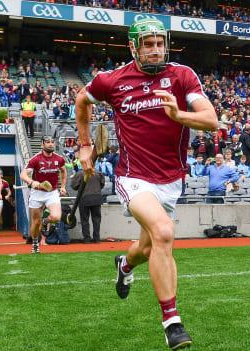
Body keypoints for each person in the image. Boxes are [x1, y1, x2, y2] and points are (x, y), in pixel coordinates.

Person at [75, 18, 217, 350]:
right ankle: (172, 322)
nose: (156, 50)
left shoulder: (183, 76)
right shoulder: (111, 81)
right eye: (148, 44)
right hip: (133, 177)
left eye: (160, 43)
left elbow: (210, 119)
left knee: (148, 247)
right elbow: (82, 101)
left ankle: (124, 265)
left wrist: (180, 116)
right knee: (164, 231)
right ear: (133, 47)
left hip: (171, 180)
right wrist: (84, 145)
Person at [20, 136, 67, 254]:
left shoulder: (59, 159)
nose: (51, 144)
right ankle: (35, 242)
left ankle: (45, 221)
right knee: (35, 222)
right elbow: (23, 174)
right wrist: (32, 182)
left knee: (56, 217)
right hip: (37, 193)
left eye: (52, 142)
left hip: (52, 192)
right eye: (47, 142)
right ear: (42, 145)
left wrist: (63, 187)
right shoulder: (35, 159)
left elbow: (63, 171)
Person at [71, 170, 104, 243]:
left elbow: (74, 186)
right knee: (97, 220)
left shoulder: (80, 173)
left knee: (84, 220)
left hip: (84, 198)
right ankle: (97, 238)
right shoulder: (98, 173)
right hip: (96, 197)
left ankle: (87, 239)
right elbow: (102, 185)